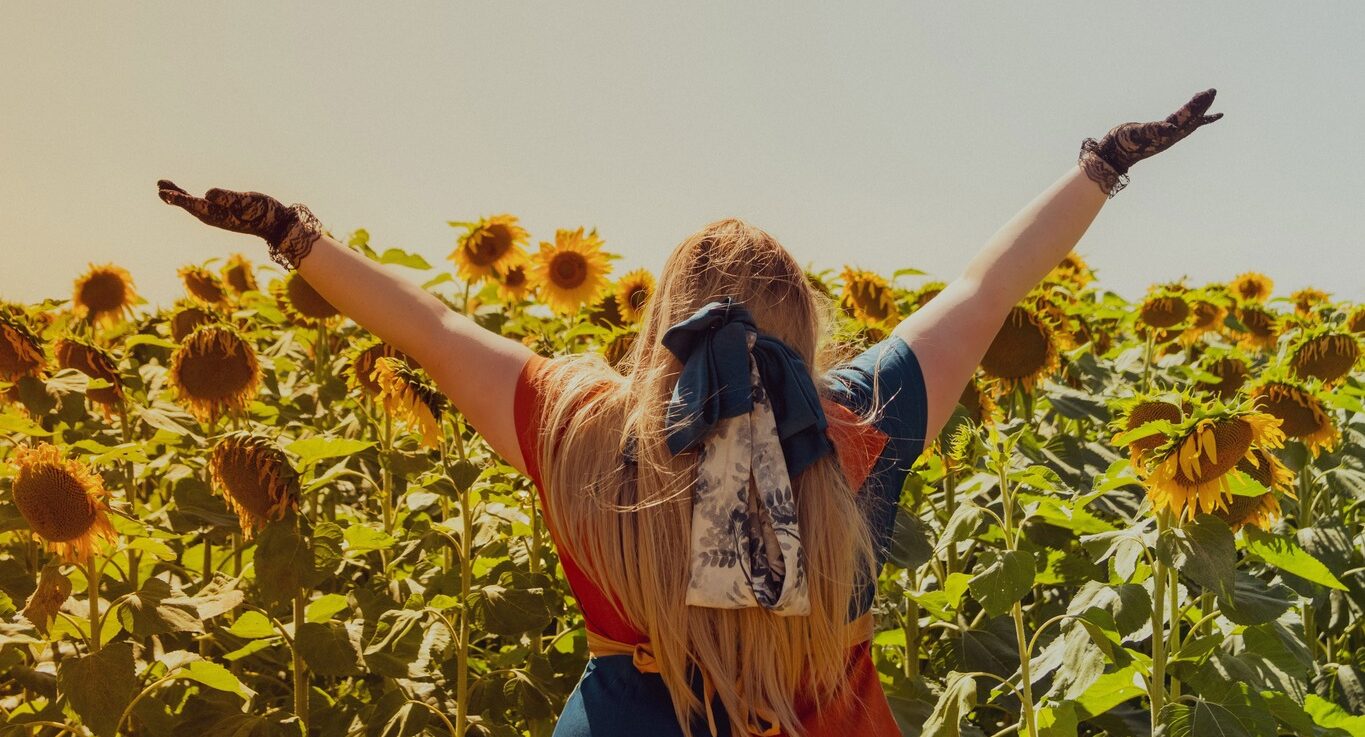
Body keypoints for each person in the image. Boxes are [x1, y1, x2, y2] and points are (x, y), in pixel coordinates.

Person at [156, 88, 1223, 737]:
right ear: (804, 330)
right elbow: (987, 291)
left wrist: (292, 234)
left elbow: (430, 328)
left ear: (659, 326)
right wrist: (1103, 164)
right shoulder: (855, 430)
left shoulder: (582, 435)